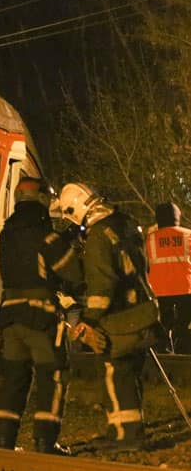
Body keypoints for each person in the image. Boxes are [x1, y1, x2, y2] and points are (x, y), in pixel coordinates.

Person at [60, 183, 165, 451]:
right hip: (146, 309)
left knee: (115, 372)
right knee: (132, 372)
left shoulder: (97, 237)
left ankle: (124, 435)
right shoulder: (127, 225)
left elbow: (101, 287)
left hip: (121, 318)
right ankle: (133, 429)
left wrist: (89, 320)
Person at [0, 177, 84, 455]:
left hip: (10, 316)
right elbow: (73, 274)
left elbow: (26, 262)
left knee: (14, 378)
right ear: (42, 198)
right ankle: (45, 442)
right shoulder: (47, 235)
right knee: (52, 375)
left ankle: (3, 442)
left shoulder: (7, 234)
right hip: (40, 316)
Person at [146, 202, 191, 354]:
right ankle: (184, 355)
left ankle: (164, 357)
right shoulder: (188, 235)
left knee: (163, 326)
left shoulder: (149, 239)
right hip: (186, 289)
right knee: (183, 325)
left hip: (159, 291)